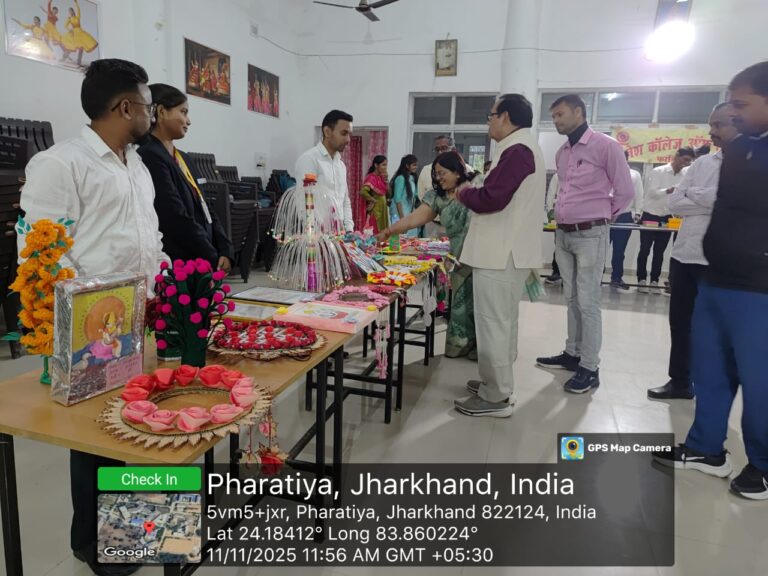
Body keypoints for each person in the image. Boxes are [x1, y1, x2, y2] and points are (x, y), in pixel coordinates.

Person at [19, 59, 165, 576]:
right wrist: (95, 309)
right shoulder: (62, 164)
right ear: (125, 107)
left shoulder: (137, 165)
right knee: (93, 437)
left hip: (137, 313)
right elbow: (40, 250)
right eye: (148, 105)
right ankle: (95, 545)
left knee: (126, 426)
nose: (151, 114)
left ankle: (128, 531)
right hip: (91, 322)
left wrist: (163, 281)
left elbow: (148, 234)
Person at [653, 61, 768, 500]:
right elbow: (701, 204)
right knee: (710, 370)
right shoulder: (739, 151)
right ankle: (706, 448)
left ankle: (763, 464)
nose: (733, 114)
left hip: (760, 287)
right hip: (717, 276)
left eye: (742, 104)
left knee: (760, 381)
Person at [452, 93, 545, 417]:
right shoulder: (519, 148)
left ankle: (496, 397)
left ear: (504, 116)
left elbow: (492, 198)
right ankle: (497, 383)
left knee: (493, 324)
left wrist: (465, 193)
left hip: (502, 252)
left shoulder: (518, 150)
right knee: (501, 323)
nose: (488, 122)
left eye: (490, 116)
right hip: (505, 251)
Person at [536, 94, 634, 393]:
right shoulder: (563, 152)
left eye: (560, 114)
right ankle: (572, 353)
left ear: (579, 112)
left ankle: (590, 367)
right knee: (571, 298)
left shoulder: (606, 146)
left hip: (591, 233)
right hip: (564, 233)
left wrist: (601, 216)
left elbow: (625, 191)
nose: (556, 121)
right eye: (553, 116)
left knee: (588, 302)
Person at [647, 103, 739, 401]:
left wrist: (694, 195)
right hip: (685, 254)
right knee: (680, 323)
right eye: (711, 125)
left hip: (720, 260)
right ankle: (680, 382)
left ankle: (715, 388)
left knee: (718, 329)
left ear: (740, 122)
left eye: (719, 125)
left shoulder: (753, 164)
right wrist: (713, 199)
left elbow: (737, 201)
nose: (712, 131)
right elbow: (675, 203)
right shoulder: (701, 165)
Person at [377, 151, 477, 358]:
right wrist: (388, 232)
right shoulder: (437, 197)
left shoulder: (476, 187)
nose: (439, 178)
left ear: (458, 171)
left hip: (481, 256)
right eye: (436, 174)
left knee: (483, 306)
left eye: (443, 173)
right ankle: (462, 344)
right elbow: (412, 219)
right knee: (461, 304)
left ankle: (483, 348)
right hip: (459, 259)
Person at [138, 83, 233, 272]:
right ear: (161, 112)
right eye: (183, 112)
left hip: (203, 253)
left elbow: (205, 206)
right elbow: (174, 215)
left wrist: (225, 248)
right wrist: (211, 255)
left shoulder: (185, 158)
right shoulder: (149, 156)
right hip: (180, 259)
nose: (188, 121)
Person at [636, 147, 695, 293]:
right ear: (677, 156)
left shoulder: (684, 175)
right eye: (685, 160)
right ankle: (641, 280)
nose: (686, 164)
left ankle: (654, 281)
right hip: (650, 214)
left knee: (660, 251)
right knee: (644, 249)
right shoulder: (658, 171)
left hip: (668, 216)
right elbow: (652, 193)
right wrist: (669, 190)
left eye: (689, 161)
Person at [295, 109, 355, 232]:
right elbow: (304, 204)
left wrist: (349, 230)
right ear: (327, 131)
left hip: (339, 234)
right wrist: (316, 236)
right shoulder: (310, 159)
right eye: (344, 133)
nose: (348, 139)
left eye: (349, 134)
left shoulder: (341, 165)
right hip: (318, 236)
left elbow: (345, 200)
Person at [608, 151, 645, 289]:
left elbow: (639, 195)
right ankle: (596, 278)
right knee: (600, 249)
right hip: (605, 215)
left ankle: (617, 278)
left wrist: (637, 212)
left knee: (619, 250)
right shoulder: (606, 172)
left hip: (624, 216)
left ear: (627, 159)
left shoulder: (634, 175)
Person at [417, 135, 454, 237]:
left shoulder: (465, 169)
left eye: (444, 148)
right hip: (432, 224)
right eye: (437, 149)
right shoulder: (426, 170)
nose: (440, 152)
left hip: (455, 225)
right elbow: (422, 196)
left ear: (452, 149)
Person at [60, 0, 98, 67]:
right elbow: (65, 26)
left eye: (71, 11)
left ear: (73, 11)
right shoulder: (69, 18)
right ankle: (64, 58)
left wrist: (76, 3)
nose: (70, 12)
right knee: (70, 47)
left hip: (80, 33)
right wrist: (70, 30)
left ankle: (79, 62)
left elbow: (78, 10)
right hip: (74, 34)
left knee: (81, 49)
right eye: (69, 11)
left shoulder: (77, 17)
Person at [389, 154, 420, 237]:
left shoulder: (412, 178)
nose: (416, 167)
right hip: (399, 213)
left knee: (410, 237)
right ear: (407, 166)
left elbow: (415, 196)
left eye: (416, 165)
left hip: (408, 213)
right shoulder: (401, 178)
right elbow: (397, 199)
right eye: (414, 165)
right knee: (397, 238)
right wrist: (402, 219)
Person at [359, 155, 389, 233]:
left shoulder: (381, 178)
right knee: (375, 234)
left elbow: (388, 194)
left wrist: (386, 182)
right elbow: (363, 192)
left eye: (386, 165)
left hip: (383, 211)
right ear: (376, 165)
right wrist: (373, 200)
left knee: (383, 234)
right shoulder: (371, 178)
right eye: (383, 165)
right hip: (375, 212)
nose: (385, 167)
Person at [544, 172, 561, 284]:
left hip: (579, 217)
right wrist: (550, 214)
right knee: (560, 245)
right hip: (561, 216)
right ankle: (557, 272)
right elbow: (550, 195)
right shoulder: (557, 176)